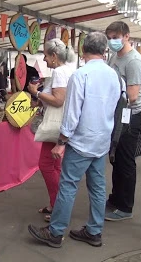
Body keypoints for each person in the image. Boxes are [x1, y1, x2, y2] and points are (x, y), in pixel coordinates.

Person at [27, 32, 121, 248]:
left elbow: (72, 113)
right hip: (101, 140)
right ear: (105, 50)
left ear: (83, 49)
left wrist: (61, 142)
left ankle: (55, 232)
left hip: (81, 141)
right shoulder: (113, 75)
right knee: (97, 187)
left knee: (68, 185)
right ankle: (94, 231)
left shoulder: (81, 75)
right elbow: (116, 106)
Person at [27, 38, 75, 222]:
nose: (44, 59)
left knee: (46, 165)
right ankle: (56, 204)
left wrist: (36, 93)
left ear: (54, 56)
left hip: (56, 124)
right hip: (63, 123)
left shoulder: (60, 73)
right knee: (55, 165)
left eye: (46, 55)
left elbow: (58, 100)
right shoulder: (68, 70)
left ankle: (57, 206)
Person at [105, 21, 141, 222]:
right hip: (116, 114)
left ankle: (126, 207)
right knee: (116, 158)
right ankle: (115, 199)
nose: (113, 41)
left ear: (127, 36)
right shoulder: (115, 56)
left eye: (116, 37)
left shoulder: (134, 61)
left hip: (131, 116)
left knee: (126, 161)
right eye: (110, 37)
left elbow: (131, 95)